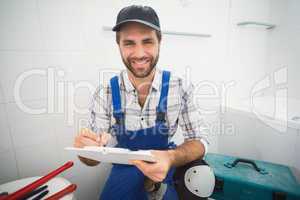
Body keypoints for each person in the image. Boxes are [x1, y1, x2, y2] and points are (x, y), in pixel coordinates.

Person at [73, 5, 209, 200]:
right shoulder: (105, 93)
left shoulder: (179, 87)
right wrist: (85, 150)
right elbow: (92, 158)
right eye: (129, 43)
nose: (139, 53)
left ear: (159, 41)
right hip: (124, 171)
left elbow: (200, 142)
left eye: (147, 42)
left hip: (165, 169)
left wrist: (170, 157)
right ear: (118, 44)